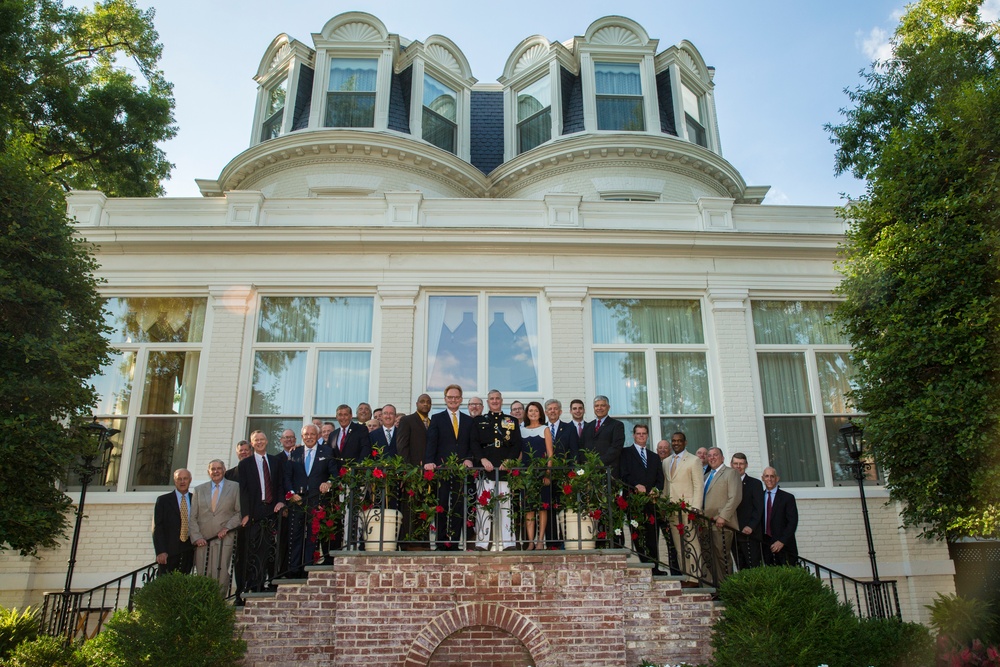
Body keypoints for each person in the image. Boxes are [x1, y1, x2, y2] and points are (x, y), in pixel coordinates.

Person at [471, 389, 523, 550]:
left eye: (497, 398)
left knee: (505, 506)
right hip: (486, 468)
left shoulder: (511, 421)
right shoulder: (479, 420)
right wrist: (482, 459)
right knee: (483, 506)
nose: (494, 401)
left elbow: (517, 444)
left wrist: (509, 461)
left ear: (501, 401)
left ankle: (508, 543)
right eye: (491, 399)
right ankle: (482, 542)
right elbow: (473, 442)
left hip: (503, 468)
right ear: (487, 402)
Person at [424, 384, 474, 549]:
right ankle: (440, 541)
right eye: (450, 397)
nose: (453, 400)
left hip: (461, 470)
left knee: (459, 505)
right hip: (442, 468)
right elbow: (432, 442)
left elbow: (471, 444)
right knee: (442, 504)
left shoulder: (468, 420)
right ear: (445, 399)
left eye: (456, 397)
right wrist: (429, 461)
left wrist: (469, 459)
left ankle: (454, 542)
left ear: (461, 399)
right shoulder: (437, 418)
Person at [238, 431, 286, 592]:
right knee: (254, 548)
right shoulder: (245, 464)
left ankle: (271, 581)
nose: (259, 442)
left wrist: (281, 501)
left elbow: (279, 485)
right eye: (255, 440)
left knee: (270, 547)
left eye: (261, 440)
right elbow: (243, 490)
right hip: (254, 511)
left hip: (272, 509)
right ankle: (254, 584)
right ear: (252, 444)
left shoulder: (275, 461)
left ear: (267, 441)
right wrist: (246, 513)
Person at [283, 424, 335, 575]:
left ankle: (308, 568)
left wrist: (328, 483)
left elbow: (334, 473)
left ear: (318, 436)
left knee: (313, 535)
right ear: (302, 437)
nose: (309, 437)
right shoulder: (295, 452)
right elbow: (287, 476)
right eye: (306, 434)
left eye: (312, 434)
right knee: (296, 534)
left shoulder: (326, 451)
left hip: (316, 500)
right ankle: (293, 570)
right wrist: (291, 493)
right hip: (298, 500)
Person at [189, 460, 241, 594]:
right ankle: (204, 604)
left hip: (224, 537)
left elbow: (239, 512)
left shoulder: (235, 487)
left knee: (221, 572)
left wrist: (227, 528)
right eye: (213, 469)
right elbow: (193, 517)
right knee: (202, 573)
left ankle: (219, 604)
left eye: (219, 468)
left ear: (224, 470)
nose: (216, 471)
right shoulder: (199, 490)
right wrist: (196, 537)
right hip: (203, 540)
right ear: (208, 472)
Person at [619, 425, 664, 573]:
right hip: (634, 501)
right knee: (638, 535)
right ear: (633, 435)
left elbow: (660, 479)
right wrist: (634, 485)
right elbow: (623, 475)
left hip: (651, 502)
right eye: (638, 434)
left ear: (648, 436)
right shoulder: (625, 453)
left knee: (652, 536)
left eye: (644, 434)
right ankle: (647, 566)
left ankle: (655, 568)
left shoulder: (654, 457)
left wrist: (656, 490)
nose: (641, 436)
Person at [661, 433, 704, 577]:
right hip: (673, 510)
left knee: (692, 545)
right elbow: (667, 485)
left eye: (679, 441)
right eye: (673, 441)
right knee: (679, 547)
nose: (676, 443)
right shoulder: (666, 462)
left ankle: (696, 576)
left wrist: (696, 509)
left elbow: (699, 486)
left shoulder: (694, 460)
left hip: (688, 510)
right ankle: (686, 576)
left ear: (685, 442)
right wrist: (663, 505)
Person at [702, 447, 742, 585]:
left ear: (723, 458)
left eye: (715, 455)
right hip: (706, 523)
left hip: (721, 524)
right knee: (709, 557)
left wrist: (723, 516)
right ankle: (716, 587)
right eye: (709, 455)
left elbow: (735, 497)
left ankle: (727, 587)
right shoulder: (706, 476)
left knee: (722, 557)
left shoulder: (731, 473)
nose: (712, 457)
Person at [398, 394, 432, 549]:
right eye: (422, 402)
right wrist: (407, 470)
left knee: (426, 507)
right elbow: (402, 446)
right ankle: (409, 542)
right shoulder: (407, 420)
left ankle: (424, 541)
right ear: (417, 403)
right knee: (410, 507)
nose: (425, 404)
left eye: (428, 402)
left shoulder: (432, 423)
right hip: (412, 472)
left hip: (429, 474)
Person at [520, 401, 552, 551]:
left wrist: (547, 473)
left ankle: (540, 541)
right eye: (530, 411)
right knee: (529, 509)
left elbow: (550, 454)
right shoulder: (521, 430)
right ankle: (531, 541)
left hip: (541, 474)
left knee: (542, 508)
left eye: (536, 411)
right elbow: (520, 455)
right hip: (526, 475)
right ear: (527, 413)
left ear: (540, 413)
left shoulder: (545, 429)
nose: (533, 413)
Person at [152, 468, 194, 575]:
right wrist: (161, 551)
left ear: (190, 480)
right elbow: (158, 527)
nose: (182, 481)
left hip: (188, 549)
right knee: (166, 583)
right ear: (175, 481)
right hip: (169, 551)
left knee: (184, 582)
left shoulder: (196, 499)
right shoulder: (163, 500)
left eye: (185, 478)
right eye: (179, 479)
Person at [731, 452, 764, 570]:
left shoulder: (755, 484)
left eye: (741, 464)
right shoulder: (728, 483)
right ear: (731, 465)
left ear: (746, 465)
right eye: (735, 463)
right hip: (733, 532)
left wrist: (751, 526)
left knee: (753, 567)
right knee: (740, 566)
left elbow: (759, 508)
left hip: (750, 533)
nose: (738, 466)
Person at [579, 395, 625, 478]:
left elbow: (616, 447)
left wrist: (598, 462)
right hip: (589, 472)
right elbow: (582, 446)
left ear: (608, 407)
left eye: (603, 405)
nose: (599, 408)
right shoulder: (587, 426)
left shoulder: (617, 425)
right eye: (597, 406)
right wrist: (587, 463)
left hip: (608, 471)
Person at [761, 467, 798, 566]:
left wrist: (782, 541)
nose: (769, 479)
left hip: (784, 545)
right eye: (767, 476)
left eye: (772, 476)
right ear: (763, 478)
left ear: (777, 478)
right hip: (765, 544)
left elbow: (792, 522)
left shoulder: (787, 498)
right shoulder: (759, 497)